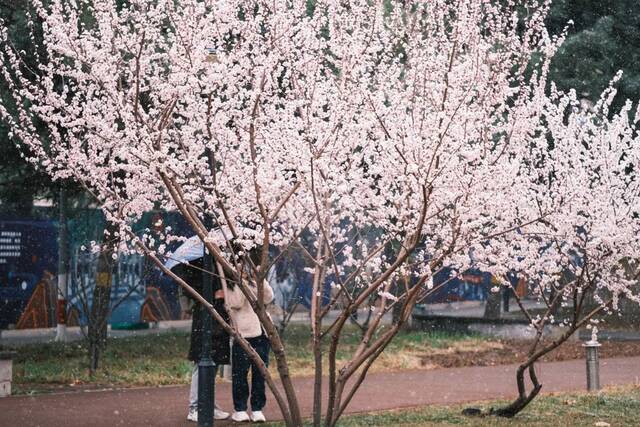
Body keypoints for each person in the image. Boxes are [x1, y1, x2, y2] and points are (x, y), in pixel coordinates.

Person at [175, 257, 231, 422]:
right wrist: (214, 294)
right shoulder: (196, 262)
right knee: (201, 362)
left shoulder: (219, 259)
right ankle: (195, 407)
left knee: (214, 362)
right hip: (204, 316)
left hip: (220, 316)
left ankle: (208, 404)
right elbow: (189, 288)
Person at [218, 261, 274, 423]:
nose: (242, 268)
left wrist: (259, 280)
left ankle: (257, 409)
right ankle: (240, 409)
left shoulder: (254, 280)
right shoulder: (228, 283)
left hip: (261, 333)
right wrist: (239, 283)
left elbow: (269, 297)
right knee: (240, 374)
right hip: (242, 334)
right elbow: (235, 303)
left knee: (260, 373)